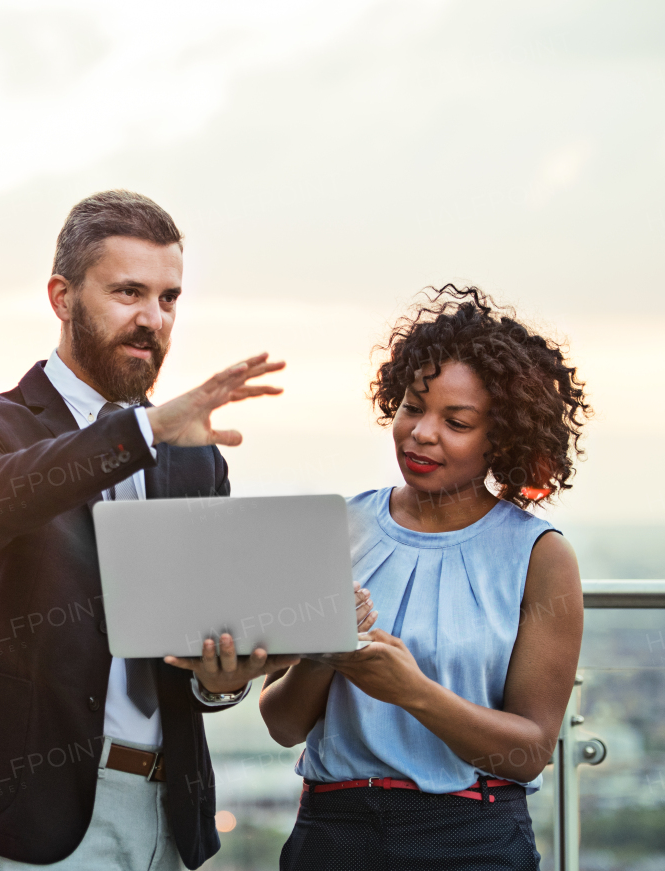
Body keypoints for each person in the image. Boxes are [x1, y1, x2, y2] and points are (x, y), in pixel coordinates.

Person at [0, 190, 302, 870]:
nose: (153, 319)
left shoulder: (196, 455)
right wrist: (141, 431)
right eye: (128, 292)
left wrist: (222, 677)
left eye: (169, 298)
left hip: (170, 814)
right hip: (41, 813)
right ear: (62, 296)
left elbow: (200, 647)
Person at [259, 285, 591, 870]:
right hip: (331, 834)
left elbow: (530, 752)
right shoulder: (334, 527)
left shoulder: (538, 556)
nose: (421, 433)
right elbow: (283, 724)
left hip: (474, 838)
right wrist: (325, 651)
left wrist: (410, 691)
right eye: (413, 407)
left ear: (502, 439)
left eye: (456, 421)